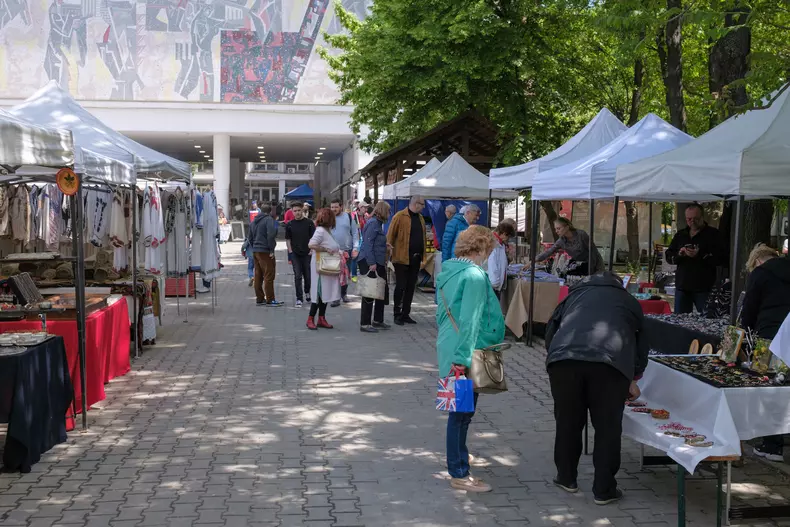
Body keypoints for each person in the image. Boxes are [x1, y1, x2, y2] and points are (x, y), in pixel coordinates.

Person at [545, 271, 647, 505]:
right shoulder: (629, 300)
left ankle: (566, 477)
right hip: (610, 365)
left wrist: (554, 358)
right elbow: (643, 343)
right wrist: (635, 376)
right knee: (607, 426)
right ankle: (604, 489)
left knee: (568, 421)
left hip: (564, 362)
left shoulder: (571, 297)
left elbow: (551, 332)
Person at [435, 226, 504, 493]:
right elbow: (470, 320)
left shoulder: (450, 270)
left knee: (461, 411)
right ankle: (459, 472)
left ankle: (459, 456)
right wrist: (462, 360)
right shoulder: (474, 275)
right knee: (461, 414)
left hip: (452, 347)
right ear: (482, 248)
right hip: (466, 353)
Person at [741, 243, 790, 462]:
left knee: (769, 388)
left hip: (769, 337)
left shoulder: (760, 274)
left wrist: (745, 330)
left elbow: (749, 310)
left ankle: (772, 445)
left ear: (757, 261)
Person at [665, 203, 724, 314]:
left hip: (704, 287)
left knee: (707, 321)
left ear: (702, 217)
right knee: (680, 322)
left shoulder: (713, 235)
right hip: (683, 286)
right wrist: (680, 254)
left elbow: (720, 258)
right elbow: (669, 256)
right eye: (689, 219)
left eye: (695, 219)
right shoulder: (680, 235)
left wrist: (700, 254)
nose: (692, 221)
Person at [387, 195, 426, 325]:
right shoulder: (399, 216)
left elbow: (423, 238)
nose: (424, 207)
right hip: (401, 258)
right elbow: (390, 236)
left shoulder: (420, 218)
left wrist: (423, 256)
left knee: (410, 287)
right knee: (401, 286)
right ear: (416, 204)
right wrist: (389, 254)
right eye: (422, 204)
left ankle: (405, 314)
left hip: (415, 258)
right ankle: (397, 314)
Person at [358, 201, 392, 333]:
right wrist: (371, 263)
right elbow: (367, 244)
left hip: (377, 261)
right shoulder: (373, 224)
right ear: (383, 211)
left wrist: (385, 246)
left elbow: (374, 242)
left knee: (380, 291)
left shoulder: (377, 223)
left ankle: (378, 320)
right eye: (388, 211)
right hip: (370, 262)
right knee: (369, 292)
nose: (389, 214)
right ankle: (365, 323)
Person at [307, 208, 341, 330]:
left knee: (325, 292)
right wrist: (325, 249)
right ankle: (311, 318)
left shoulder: (326, 231)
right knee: (319, 292)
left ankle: (321, 318)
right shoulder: (321, 231)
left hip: (326, 267)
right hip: (321, 267)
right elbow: (311, 244)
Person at [534, 217, 604, 276]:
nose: (556, 231)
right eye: (555, 229)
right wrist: (533, 261)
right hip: (581, 266)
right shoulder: (561, 241)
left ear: (567, 227)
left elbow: (593, 252)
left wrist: (592, 271)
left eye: (558, 228)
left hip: (594, 264)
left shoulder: (581, 235)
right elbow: (549, 252)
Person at [248, 204, 283, 307]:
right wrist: (271, 249)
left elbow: (249, 237)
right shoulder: (268, 220)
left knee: (258, 275)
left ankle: (260, 299)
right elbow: (271, 234)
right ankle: (270, 299)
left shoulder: (254, 221)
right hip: (265, 251)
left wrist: (254, 247)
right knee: (269, 275)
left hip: (256, 251)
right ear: (270, 211)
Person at [330, 198, 360, 305]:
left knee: (346, 273)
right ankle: (335, 297)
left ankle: (344, 294)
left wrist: (356, 248)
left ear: (341, 207)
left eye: (336, 207)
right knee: (334, 274)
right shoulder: (328, 218)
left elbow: (355, 233)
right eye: (332, 207)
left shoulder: (348, 217)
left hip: (347, 251)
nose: (333, 209)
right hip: (332, 251)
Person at [285, 201, 315, 307]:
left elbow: (314, 238)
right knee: (297, 275)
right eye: (295, 211)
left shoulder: (309, 223)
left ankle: (307, 292)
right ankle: (299, 298)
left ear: (302, 210)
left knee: (308, 275)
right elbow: (288, 239)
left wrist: (312, 250)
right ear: (292, 212)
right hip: (295, 254)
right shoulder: (289, 224)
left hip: (307, 253)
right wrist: (290, 251)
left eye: (299, 210)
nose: (297, 213)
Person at [488, 222, 516, 298]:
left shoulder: (501, 244)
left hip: (496, 285)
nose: (508, 239)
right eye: (508, 237)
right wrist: (495, 282)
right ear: (504, 233)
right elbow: (492, 264)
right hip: (493, 286)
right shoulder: (494, 244)